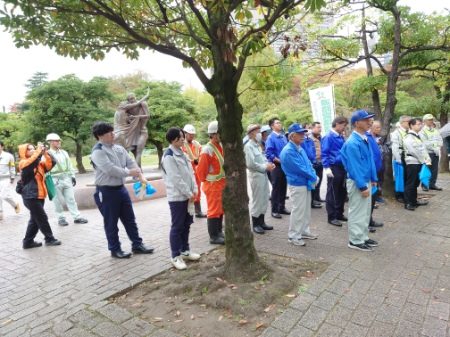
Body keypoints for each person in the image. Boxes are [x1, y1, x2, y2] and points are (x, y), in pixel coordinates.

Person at [91, 121, 154, 258]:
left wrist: (140, 175)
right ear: (100, 135)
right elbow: (110, 170)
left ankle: (137, 244)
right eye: (110, 132)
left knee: (130, 219)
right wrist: (130, 173)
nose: (113, 134)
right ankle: (115, 249)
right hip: (106, 191)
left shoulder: (118, 148)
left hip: (121, 189)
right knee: (111, 222)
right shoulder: (98, 152)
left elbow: (131, 162)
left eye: (113, 131)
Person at [161, 127, 201, 270]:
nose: (183, 139)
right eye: (180, 137)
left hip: (188, 195)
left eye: (183, 136)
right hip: (177, 197)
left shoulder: (182, 153)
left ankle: (185, 250)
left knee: (187, 223)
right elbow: (175, 178)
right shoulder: (169, 156)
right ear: (173, 139)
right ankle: (175, 255)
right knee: (177, 226)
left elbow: (191, 174)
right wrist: (188, 193)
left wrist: (194, 189)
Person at [341, 110, 379, 252]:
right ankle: (355, 240)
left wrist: (374, 178)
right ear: (357, 123)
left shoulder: (364, 138)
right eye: (366, 119)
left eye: (370, 119)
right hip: (359, 182)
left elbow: (370, 161)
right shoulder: (352, 143)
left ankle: (363, 236)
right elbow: (354, 167)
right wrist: (363, 186)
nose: (370, 121)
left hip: (365, 180)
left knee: (365, 211)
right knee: (357, 211)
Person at [280, 123, 319, 246]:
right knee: (298, 210)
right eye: (300, 134)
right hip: (297, 183)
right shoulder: (288, 151)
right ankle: (293, 235)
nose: (303, 136)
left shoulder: (298, 148)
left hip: (304, 182)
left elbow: (308, 164)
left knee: (305, 209)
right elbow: (301, 168)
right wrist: (314, 177)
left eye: (303, 133)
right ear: (292, 136)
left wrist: (313, 176)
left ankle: (304, 231)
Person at [18, 142, 61, 249]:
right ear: (24, 152)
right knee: (42, 217)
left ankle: (28, 242)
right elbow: (31, 162)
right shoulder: (23, 163)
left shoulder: (39, 164)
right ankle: (49, 238)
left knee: (35, 220)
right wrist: (38, 150)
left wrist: (45, 152)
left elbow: (51, 163)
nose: (33, 150)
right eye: (30, 149)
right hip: (30, 197)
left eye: (33, 149)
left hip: (39, 196)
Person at [46, 133, 88, 226]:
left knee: (71, 199)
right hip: (54, 179)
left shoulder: (64, 152)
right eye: (56, 141)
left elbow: (70, 166)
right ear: (50, 142)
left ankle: (77, 217)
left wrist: (72, 176)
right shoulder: (47, 154)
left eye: (59, 140)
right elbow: (45, 169)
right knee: (57, 200)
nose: (59, 142)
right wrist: (48, 182)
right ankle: (61, 218)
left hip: (66, 177)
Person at [197, 121, 225, 245]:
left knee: (220, 210)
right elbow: (201, 172)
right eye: (220, 133)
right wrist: (209, 182)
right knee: (214, 210)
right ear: (214, 134)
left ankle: (219, 232)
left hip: (220, 185)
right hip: (213, 186)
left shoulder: (219, 146)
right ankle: (213, 236)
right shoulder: (207, 149)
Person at [244, 124, 275, 234]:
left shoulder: (258, 145)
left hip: (263, 174)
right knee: (257, 199)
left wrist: (269, 165)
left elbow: (263, 158)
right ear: (252, 134)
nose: (259, 134)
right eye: (257, 132)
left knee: (265, 196)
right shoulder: (248, 147)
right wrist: (264, 167)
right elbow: (251, 163)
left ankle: (262, 221)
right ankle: (256, 223)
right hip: (256, 175)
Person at [321, 116, 349, 227]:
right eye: (343, 126)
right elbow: (325, 153)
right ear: (337, 124)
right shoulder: (328, 137)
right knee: (332, 192)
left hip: (342, 166)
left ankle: (339, 212)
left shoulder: (340, 137)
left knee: (342, 191)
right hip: (333, 167)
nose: (344, 128)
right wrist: (326, 167)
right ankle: (331, 216)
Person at [114, 88, 151, 167]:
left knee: (138, 153)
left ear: (135, 97)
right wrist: (130, 118)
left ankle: (138, 173)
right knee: (125, 151)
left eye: (133, 98)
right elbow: (125, 119)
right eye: (129, 99)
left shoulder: (143, 103)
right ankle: (129, 171)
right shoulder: (126, 107)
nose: (132, 100)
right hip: (131, 131)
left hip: (141, 130)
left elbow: (148, 115)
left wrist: (136, 117)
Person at [403, 118, 431, 211]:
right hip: (412, 162)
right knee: (410, 183)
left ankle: (413, 200)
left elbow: (422, 149)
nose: (420, 125)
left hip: (419, 162)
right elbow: (413, 151)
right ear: (412, 125)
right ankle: (408, 203)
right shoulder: (409, 137)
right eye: (418, 124)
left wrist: (427, 159)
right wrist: (423, 160)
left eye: (420, 124)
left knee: (415, 183)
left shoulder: (417, 136)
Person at [265, 117, 290, 219]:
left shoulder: (283, 137)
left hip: (284, 165)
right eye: (277, 123)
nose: (280, 124)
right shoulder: (270, 138)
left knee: (284, 186)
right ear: (272, 126)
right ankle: (274, 210)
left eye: (280, 123)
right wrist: (280, 161)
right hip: (276, 165)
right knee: (276, 187)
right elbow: (269, 154)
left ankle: (281, 207)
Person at [181, 124, 207, 218]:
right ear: (185, 133)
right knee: (187, 191)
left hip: (197, 171)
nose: (192, 136)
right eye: (190, 134)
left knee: (197, 191)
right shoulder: (181, 145)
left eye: (193, 134)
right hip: (187, 172)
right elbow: (183, 160)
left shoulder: (197, 144)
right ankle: (186, 211)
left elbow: (202, 154)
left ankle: (198, 211)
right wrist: (193, 161)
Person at [366, 119, 384, 231]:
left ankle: (369, 220)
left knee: (372, 198)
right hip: (370, 172)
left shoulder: (371, 136)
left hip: (375, 170)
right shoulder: (366, 136)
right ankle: (366, 222)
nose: (379, 129)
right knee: (368, 199)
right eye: (370, 122)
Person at [419, 114, 443, 191]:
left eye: (432, 119)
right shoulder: (422, 131)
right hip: (428, 153)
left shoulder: (435, 131)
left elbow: (440, 140)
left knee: (435, 169)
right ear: (425, 121)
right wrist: (433, 148)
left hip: (436, 153)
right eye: (429, 120)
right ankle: (424, 184)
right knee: (427, 168)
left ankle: (432, 184)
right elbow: (424, 142)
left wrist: (438, 147)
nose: (431, 121)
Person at [391, 115, 410, 203]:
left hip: (409, 156)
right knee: (399, 176)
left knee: (407, 176)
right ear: (402, 123)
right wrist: (398, 158)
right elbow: (395, 146)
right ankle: (399, 195)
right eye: (407, 121)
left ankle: (406, 194)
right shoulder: (397, 133)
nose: (409, 123)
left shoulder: (409, 132)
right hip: (400, 156)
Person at [300, 131, 322, 209]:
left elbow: (312, 152)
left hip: (312, 163)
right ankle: (310, 202)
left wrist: (314, 160)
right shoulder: (302, 141)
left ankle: (312, 201)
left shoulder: (310, 140)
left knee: (313, 183)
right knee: (309, 184)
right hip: (307, 164)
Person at [0, 141, 20, 220]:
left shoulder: (9, 156)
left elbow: (12, 167)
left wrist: (12, 177)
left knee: (4, 195)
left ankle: (15, 204)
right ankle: (0, 213)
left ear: (2, 147)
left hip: (5, 178)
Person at [310, 122, 325, 204]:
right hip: (314, 163)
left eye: (320, 127)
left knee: (319, 180)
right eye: (318, 127)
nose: (320, 129)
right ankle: (313, 200)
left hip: (320, 161)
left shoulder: (320, 137)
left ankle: (317, 197)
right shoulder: (309, 138)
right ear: (312, 128)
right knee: (313, 181)